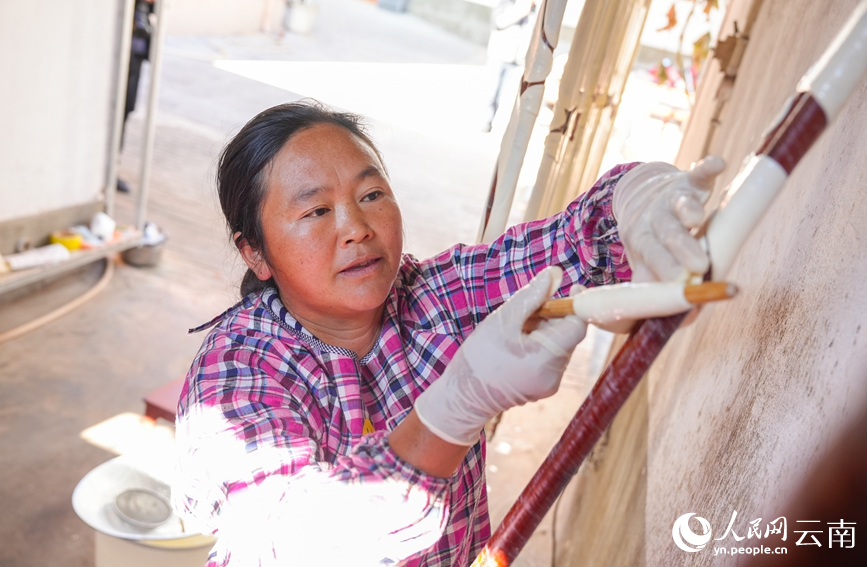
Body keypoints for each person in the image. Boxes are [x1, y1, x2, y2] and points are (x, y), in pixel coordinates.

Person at [172, 100, 724, 566]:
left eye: (371, 195)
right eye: (316, 211)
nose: (357, 229)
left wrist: (638, 199)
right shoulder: (235, 374)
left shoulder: (436, 294)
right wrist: (455, 407)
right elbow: (292, 542)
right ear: (255, 252)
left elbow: (575, 242)